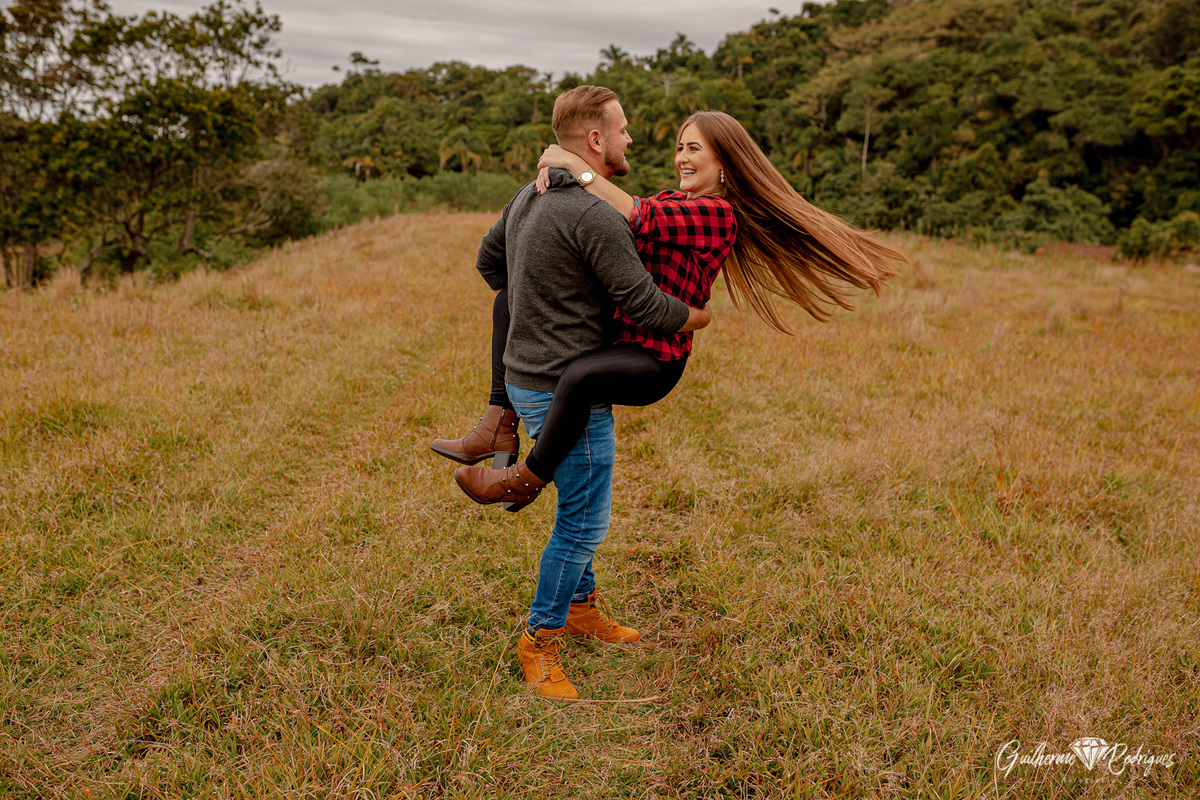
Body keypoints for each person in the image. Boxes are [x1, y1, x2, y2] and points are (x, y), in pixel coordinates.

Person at [435, 109, 905, 515]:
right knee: (507, 301)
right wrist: (558, 177)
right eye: (680, 147)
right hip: (621, 335)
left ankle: (526, 478)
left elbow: (639, 215)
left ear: (724, 162)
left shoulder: (717, 214)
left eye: (694, 148)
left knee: (579, 377)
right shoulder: (672, 198)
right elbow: (613, 217)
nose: (682, 157)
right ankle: (497, 422)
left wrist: (574, 165)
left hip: (654, 357)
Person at [455, 85, 712, 701]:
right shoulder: (596, 216)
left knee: (578, 498)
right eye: (622, 130)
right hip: (563, 385)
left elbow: (491, 265)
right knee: (582, 520)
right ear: (596, 140)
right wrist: (699, 317)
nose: (631, 139)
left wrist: (539, 299)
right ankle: (539, 640)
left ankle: (581, 607)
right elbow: (645, 306)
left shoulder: (530, 192)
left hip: (525, 378)